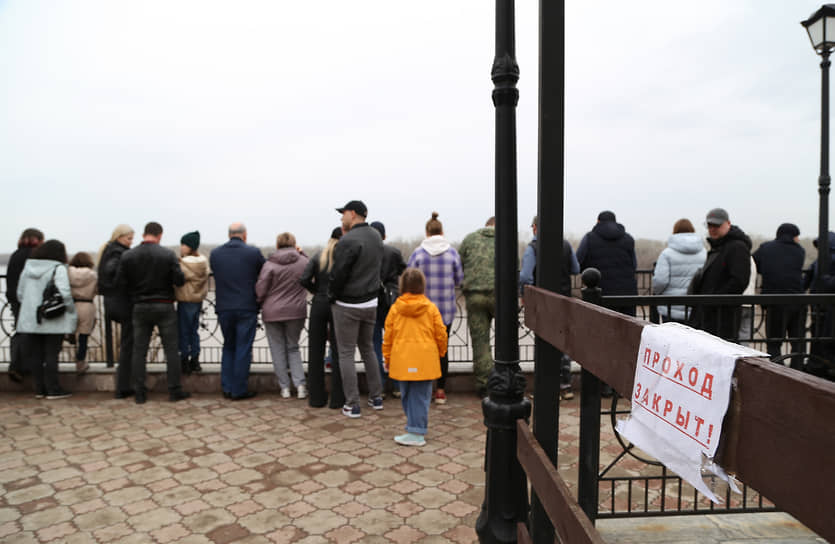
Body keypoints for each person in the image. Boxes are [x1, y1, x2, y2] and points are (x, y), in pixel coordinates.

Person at [116, 221, 189, 404]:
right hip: (164, 305)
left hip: (140, 306)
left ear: (143, 235)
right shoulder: (167, 254)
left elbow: (119, 283)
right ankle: (174, 391)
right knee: (171, 350)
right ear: (160, 235)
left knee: (139, 351)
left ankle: (140, 393)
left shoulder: (128, 256)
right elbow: (179, 280)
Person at [328, 200, 385, 418]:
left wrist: (331, 296)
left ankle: (352, 404)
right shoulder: (376, 237)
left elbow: (338, 274)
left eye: (343, 214)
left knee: (345, 353)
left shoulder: (348, 240)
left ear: (352, 214)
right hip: (371, 302)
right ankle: (376, 397)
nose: (341, 218)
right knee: (368, 348)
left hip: (348, 304)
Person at [383, 268, 448, 447]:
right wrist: (441, 353)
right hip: (425, 360)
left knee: (407, 395)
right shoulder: (431, 308)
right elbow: (441, 333)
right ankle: (416, 428)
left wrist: (387, 358)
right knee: (421, 396)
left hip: (402, 360)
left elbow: (388, 336)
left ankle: (416, 431)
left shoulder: (395, 309)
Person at [519, 215, 580, 400]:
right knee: (563, 342)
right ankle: (566, 386)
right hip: (564, 300)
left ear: (536, 228)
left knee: (544, 343)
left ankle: (545, 388)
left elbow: (525, 276)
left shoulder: (533, 248)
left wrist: (524, 295)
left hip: (543, 302)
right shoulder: (566, 245)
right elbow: (576, 269)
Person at [407, 212, 462, 405]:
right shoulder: (452, 253)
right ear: (442, 231)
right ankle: (441, 391)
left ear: (427, 232)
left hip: (422, 311)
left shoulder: (418, 253)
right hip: (445, 310)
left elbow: (408, 280)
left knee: (423, 349)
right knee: (442, 349)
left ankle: (425, 388)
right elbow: (459, 279)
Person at [210, 222, 266, 400]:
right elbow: (263, 272)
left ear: (229, 235)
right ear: (245, 235)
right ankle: (238, 390)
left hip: (224, 307)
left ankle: (226, 387)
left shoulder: (215, 254)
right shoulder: (253, 253)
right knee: (243, 348)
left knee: (228, 346)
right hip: (246, 307)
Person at [16, 239, 77, 399]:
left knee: (36, 354)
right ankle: (53, 389)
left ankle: (39, 389)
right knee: (51, 354)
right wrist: (71, 311)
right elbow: (64, 293)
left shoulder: (28, 268)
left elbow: (20, 293)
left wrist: (31, 308)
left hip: (31, 319)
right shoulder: (59, 268)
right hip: (52, 318)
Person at [257, 232, 310, 399]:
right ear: (295, 244)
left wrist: (260, 302)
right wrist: (302, 253)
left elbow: (261, 287)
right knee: (293, 347)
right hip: (296, 311)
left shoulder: (270, 263)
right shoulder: (302, 261)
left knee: (277, 349)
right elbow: (311, 271)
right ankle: (300, 385)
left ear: (277, 245)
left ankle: (284, 388)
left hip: (272, 311)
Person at [688, 208, 752, 341]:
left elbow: (739, 281)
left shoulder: (736, 247)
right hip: (711, 314)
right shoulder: (720, 247)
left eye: (717, 225)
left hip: (721, 317)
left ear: (728, 224)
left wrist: (714, 300)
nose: (713, 229)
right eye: (710, 225)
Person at [300, 227, 346, 408]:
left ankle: (316, 398)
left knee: (315, 351)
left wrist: (316, 291)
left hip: (319, 304)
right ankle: (337, 399)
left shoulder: (319, 255)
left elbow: (303, 279)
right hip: (338, 304)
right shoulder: (344, 258)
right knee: (338, 351)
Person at [752, 223, 805, 369]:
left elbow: (754, 263)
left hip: (774, 301)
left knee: (774, 343)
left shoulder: (766, 248)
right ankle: (798, 373)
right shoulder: (800, 251)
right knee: (798, 343)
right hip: (798, 301)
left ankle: (779, 372)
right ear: (792, 236)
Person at [458, 216, 496, 398]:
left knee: (481, 342)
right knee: (506, 340)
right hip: (500, 296)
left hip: (474, 296)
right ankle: (504, 379)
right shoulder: (507, 239)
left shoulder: (470, 239)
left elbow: (460, 264)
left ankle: (484, 384)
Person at [97, 224, 135, 398]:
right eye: (129, 238)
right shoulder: (118, 253)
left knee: (127, 345)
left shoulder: (108, 251)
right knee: (128, 345)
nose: (131, 242)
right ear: (119, 237)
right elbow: (112, 271)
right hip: (122, 304)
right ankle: (124, 386)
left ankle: (124, 385)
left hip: (112, 303)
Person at [370, 220, 407, 397]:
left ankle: (379, 386)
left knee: (375, 344)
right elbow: (403, 271)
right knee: (396, 343)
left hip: (372, 300)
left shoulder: (367, 253)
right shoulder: (394, 252)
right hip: (393, 301)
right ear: (384, 236)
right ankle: (399, 386)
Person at [576, 210, 638, 315]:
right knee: (628, 328)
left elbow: (579, 261)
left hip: (599, 294)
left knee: (600, 327)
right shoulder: (628, 238)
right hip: (627, 294)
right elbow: (634, 264)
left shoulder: (589, 238)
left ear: (598, 221)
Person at [6, 228, 44, 383]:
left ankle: (17, 365)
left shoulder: (16, 254)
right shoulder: (33, 256)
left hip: (14, 298)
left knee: (20, 331)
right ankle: (19, 366)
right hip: (27, 299)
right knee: (27, 332)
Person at [651, 218, 707, 324]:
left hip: (671, 306)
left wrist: (658, 293)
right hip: (695, 307)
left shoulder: (667, 254)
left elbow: (660, 281)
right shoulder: (704, 253)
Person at [175, 231, 209, 376]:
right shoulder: (203, 262)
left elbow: (177, 278)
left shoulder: (183, 263)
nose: (181, 247)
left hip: (185, 300)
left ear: (190, 247)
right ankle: (195, 359)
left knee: (183, 332)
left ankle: (184, 360)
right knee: (194, 331)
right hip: (198, 300)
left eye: (183, 244)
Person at [803, 231, 835, 379]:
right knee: (820, 336)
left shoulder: (825, 260)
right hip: (820, 305)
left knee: (823, 337)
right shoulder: (820, 261)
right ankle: (820, 365)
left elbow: (814, 279)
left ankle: (821, 366)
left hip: (826, 306)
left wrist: (825, 280)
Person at [68, 252, 98, 375]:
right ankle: (80, 362)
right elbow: (98, 290)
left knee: (66, 331)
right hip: (87, 305)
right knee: (83, 336)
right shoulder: (93, 275)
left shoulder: (67, 273)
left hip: (71, 305)